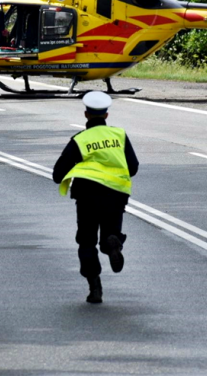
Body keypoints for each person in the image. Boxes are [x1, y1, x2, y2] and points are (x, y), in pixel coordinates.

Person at [52, 91, 139, 304]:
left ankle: (95, 288)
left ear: (86, 115)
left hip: (87, 198)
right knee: (110, 233)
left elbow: (58, 174)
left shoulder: (80, 140)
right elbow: (133, 167)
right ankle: (112, 245)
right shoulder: (119, 135)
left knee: (86, 242)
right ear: (106, 115)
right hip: (115, 195)